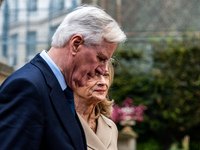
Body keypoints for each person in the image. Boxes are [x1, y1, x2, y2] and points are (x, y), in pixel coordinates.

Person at [0, 5, 126, 150]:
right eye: (101, 58)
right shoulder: (27, 87)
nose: (103, 69)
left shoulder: (61, 88)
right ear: (76, 44)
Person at [73, 60, 118, 150]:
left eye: (105, 75)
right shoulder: (58, 124)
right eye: (93, 75)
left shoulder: (111, 127)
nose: (103, 82)